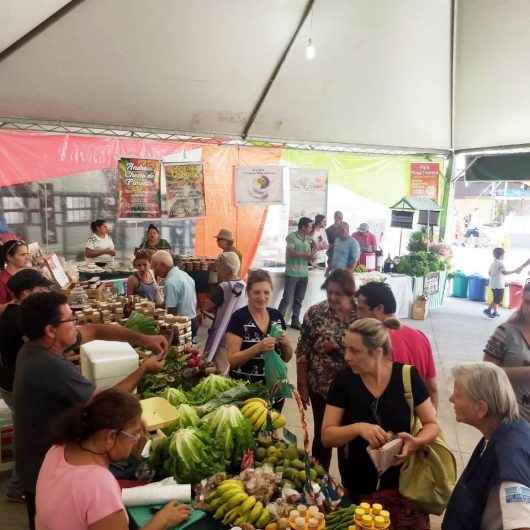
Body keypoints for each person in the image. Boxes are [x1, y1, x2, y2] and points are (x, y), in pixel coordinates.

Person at [14, 291, 169, 530]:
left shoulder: (34, 348)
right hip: (43, 468)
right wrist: (143, 369)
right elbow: (105, 404)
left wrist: (143, 338)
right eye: (70, 320)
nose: (76, 324)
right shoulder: (50, 367)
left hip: (48, 460)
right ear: (50, 330)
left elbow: (94, 330)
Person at [322, 318, 439, 530]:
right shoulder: (344, 381)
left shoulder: (407, 377)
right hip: (358, 485)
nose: (347, 357)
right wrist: (358, 428)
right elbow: (327, 436)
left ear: (377, 352)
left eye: (355, 351)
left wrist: (415, 442)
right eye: (345, 348)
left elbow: (432, 424)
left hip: (403, 488)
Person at [36, 389, 190, 530]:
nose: (138, 439)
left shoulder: (57, 449)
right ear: (110, 436)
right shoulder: (99, 485)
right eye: (135, 433)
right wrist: (162, 520)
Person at [443, 362, 530, 530]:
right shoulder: (501, 432)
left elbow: (523, 523)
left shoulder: (510, 457)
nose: (451, 399)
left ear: (481, 408)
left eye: (458, 394)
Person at [296, 269, 357, 470]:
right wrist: (302, 384)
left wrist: (338, 345)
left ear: (350, 293)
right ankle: (318, 481)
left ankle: (348, 486)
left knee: (348, 441)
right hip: (321, 389)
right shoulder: (315, 313)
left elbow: (370, 350)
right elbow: (303, 350)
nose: (332, 297)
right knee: (323, 437)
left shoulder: (361, 315)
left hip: (352, 391)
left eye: (338, 293)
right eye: (329, 292)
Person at [0, 269, 52, 503]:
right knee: (28, 437)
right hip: (15, 384)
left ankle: (18, 485)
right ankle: (17, 487)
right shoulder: (20, 318)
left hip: (9, 381)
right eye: (41, 289)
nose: (45, 294)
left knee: (25, 433)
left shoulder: (11, 311)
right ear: (26, 292)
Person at [356, 281, 438, 408]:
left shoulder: (375, 344)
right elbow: (432, 388)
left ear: (379, 309)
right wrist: (431, 422)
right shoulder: (421, 337)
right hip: (419, 418)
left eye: (361, 309)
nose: (357, 316)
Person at [225, 269, 293, 386]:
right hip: (244, 392)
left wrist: (287, 345)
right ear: (248, 293)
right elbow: (232, 360)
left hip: (274, 390)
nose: (262, 298)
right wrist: (257, 348)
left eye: (266, 292)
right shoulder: (239, 318)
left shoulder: (276, 316)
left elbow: (286, 358)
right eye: (256, 292)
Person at [484, 282, 530, 421]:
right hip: (510, 416)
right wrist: (525, 372)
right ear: (522, 302)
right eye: (529, 302)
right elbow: (486, 372)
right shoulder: (505, 332)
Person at [203, 252, 247, 373]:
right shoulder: (243, 285)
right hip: (237, 334)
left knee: (217, 368)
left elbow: (207, 307)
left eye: (219, 269)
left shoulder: (224, 287)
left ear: (227, 269)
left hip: (221, 336)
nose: (217, 272)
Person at [278, 217, 315, 330]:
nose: (311, 228)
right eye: (309, 226)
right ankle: (278, 322)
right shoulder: (291, 237)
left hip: (304, 273)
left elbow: (309, 257)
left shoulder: (309, 239)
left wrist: (315, 252)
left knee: (299, 299)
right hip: (292, 273)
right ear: (303, 227)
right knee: (287, 298)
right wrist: (306, 256)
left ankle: (295, 320)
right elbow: (291, 253)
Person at [151, 250, 198, 336]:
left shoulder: (170, 282)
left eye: (154, 267)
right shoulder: (184, 275)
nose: (154, 271)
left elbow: (171, 312)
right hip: (193, 320)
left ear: (163, 265)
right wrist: (153, 307)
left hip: (181, 324)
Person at [484, 247, 527, 318]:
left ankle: (495, 311)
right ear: (501, 255)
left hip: (493, 284)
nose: (504, 256)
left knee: (496, 297)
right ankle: (488, 310)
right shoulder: (501, 264)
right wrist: (514, 271)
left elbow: (489, 273)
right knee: (498, 299)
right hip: (499, 285)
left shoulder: (493, 263)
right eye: (504, 255)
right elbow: (505, 273)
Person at [0, 239, 29, 310]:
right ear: (9, 257)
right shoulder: (2, 280)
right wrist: (18, 301)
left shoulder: (27, 275)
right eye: (22, 255)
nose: (27, 258)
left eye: (27, 254)